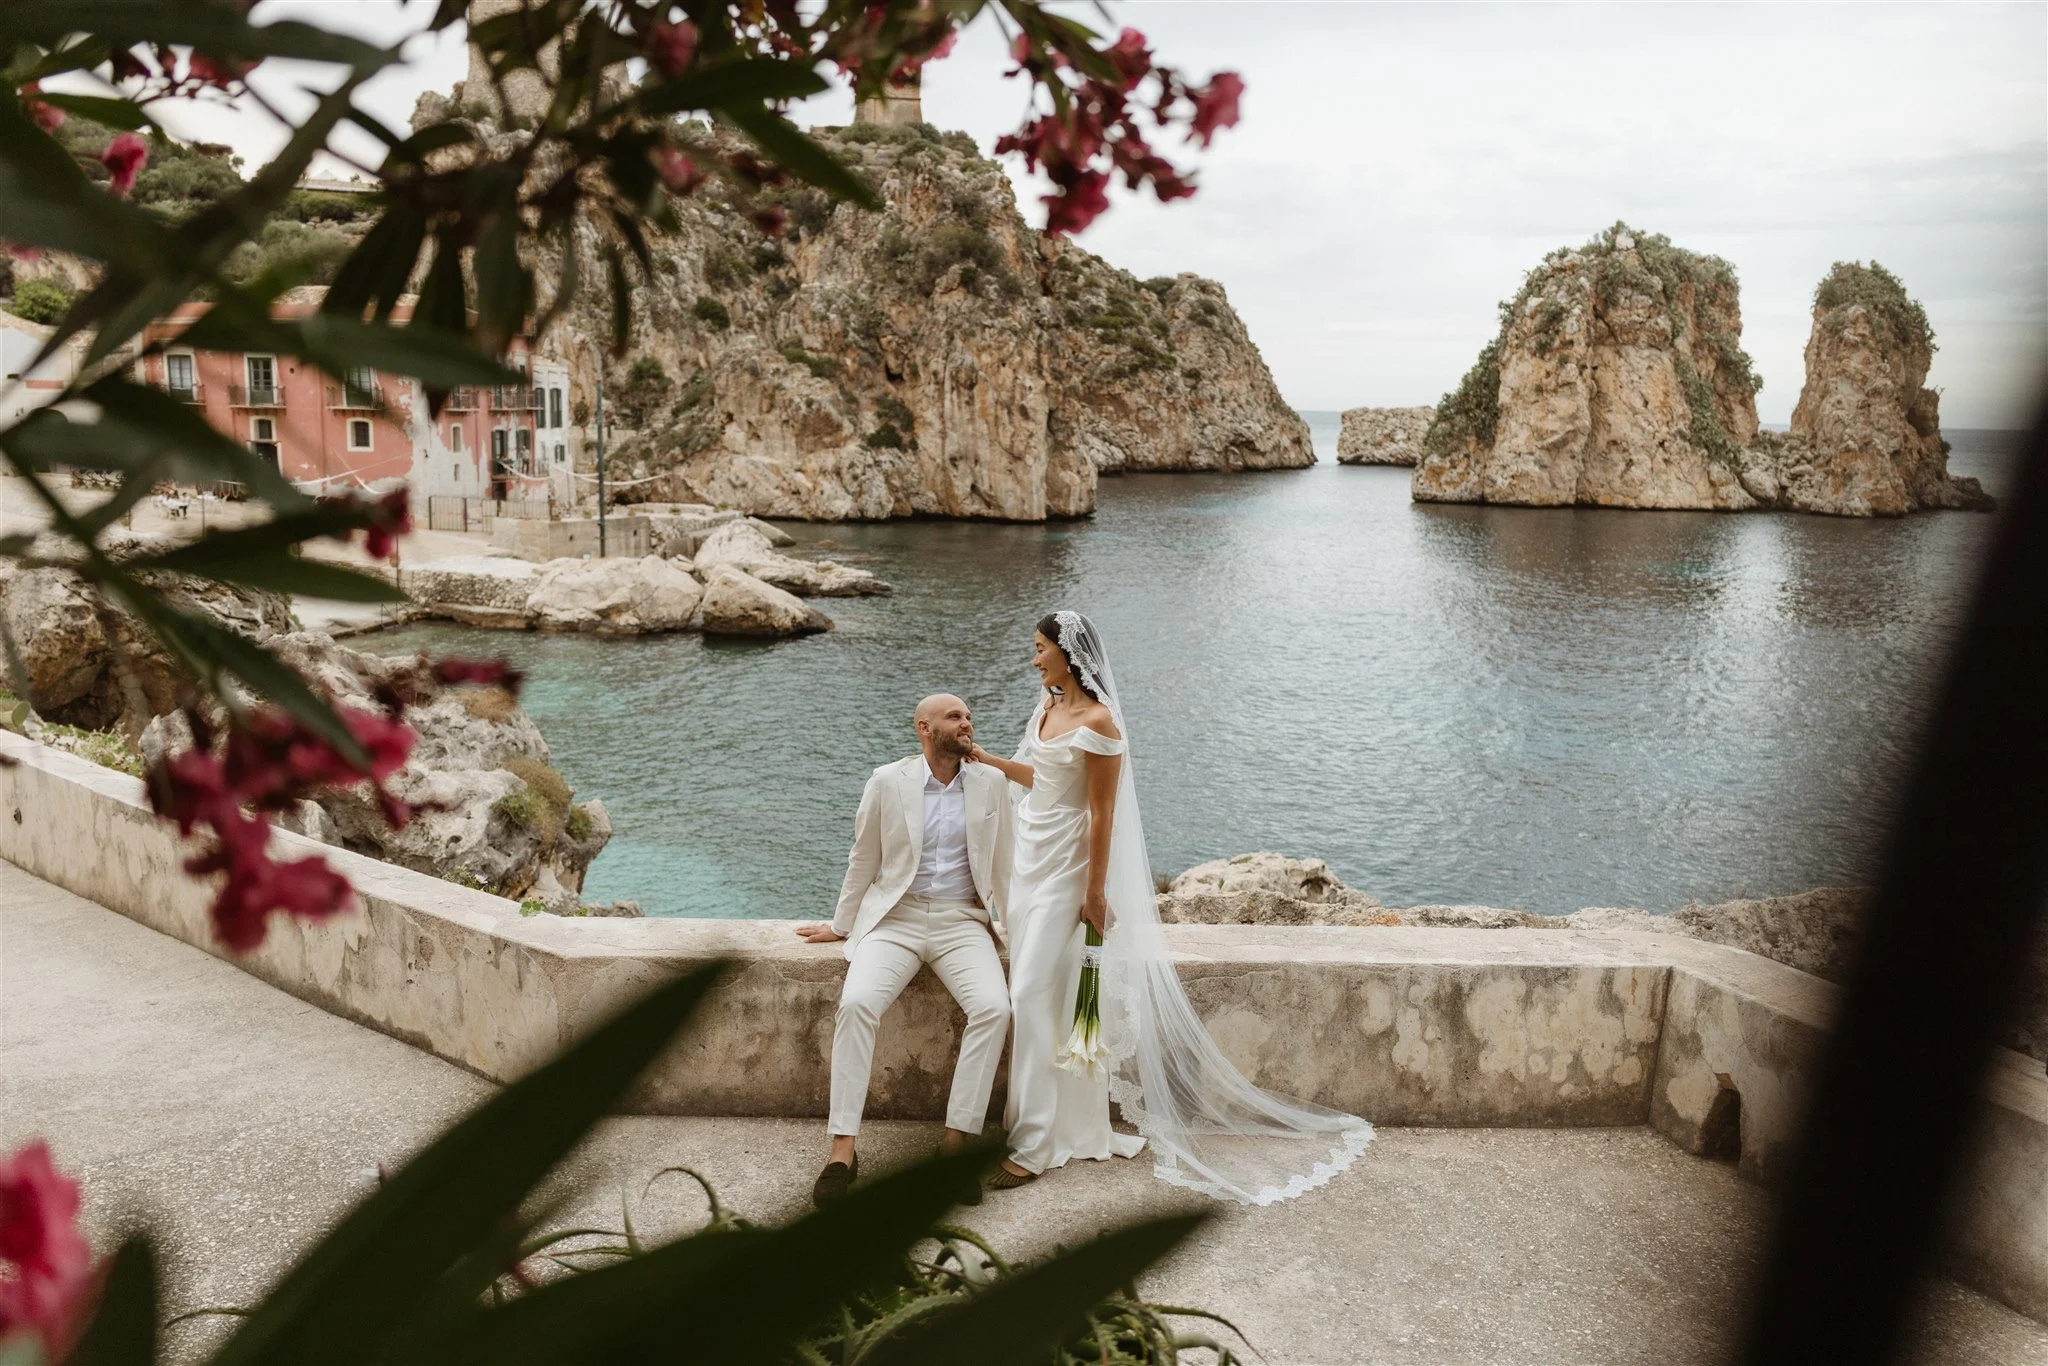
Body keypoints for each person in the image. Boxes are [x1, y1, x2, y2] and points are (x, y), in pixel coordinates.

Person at [968, 612, 1374, 1204]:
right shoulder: (1047, 707)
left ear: (1068, 653)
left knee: (1026, 995)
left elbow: (1102, 814)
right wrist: (988, 760)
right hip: (1028, 864)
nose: (1034, 660)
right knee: (1043, 995)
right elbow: (1042, 778)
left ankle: (1032, 1146)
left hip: (1067, 871)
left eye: (1039, 649)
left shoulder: (1101, 723)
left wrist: (1095, 892)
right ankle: (1056, 1125)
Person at [796, 693, 1013, 1208]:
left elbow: (1006, 862)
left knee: (994, 1009)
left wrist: (1018, 930)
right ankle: (842, 1151)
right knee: (856, 1004)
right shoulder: (886, 781)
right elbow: (863, 856)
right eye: (954, 717)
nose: (967, 723)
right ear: (924, 728)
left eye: (968, 716)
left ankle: (954, 1145)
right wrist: (842, 925)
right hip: (895, 919)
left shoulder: (992, 783)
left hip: (963, 921)